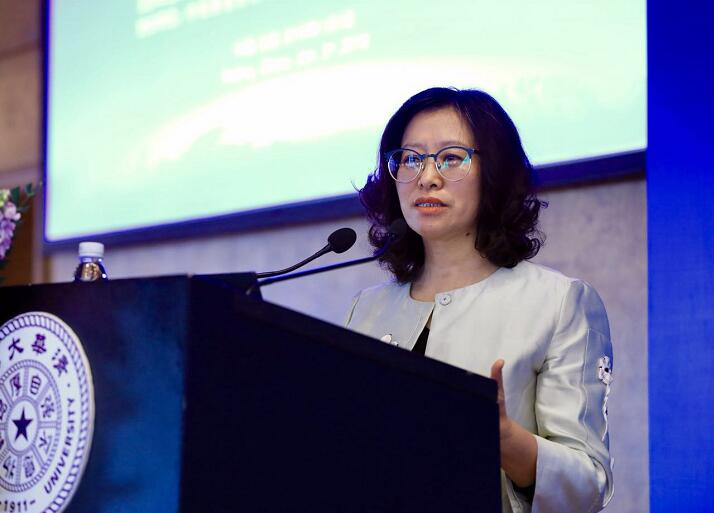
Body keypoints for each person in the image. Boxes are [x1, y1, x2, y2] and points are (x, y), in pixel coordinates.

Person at [345, 87, 614, 513]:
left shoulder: (559, 302)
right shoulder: (367, 308)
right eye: (410, 159)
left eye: (451, 158)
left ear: (494, 173)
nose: (426, 177)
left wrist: (508, 441)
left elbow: (588, 487)